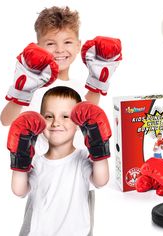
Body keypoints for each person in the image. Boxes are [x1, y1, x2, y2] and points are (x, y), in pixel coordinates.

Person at [0, 6, 122, 155]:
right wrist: (21, 92)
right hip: (38, 167)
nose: (59, 50)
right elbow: (6, 120)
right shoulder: (33, 85)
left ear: (78, 46)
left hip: (73, 166)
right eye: (51, 43)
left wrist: (97, 81)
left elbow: (86, 115)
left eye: (67, 42)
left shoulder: (78, 88)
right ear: (38, 47)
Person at [8, 86, 111, 236]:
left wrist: (98, 145)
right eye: (49, 116)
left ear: (78, 123)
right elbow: (19, 190)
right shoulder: (36, 162)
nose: (56, 122)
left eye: (65, 116)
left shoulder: (82, 159)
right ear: (40, 121)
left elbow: (101, 180)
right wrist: (20, 157)